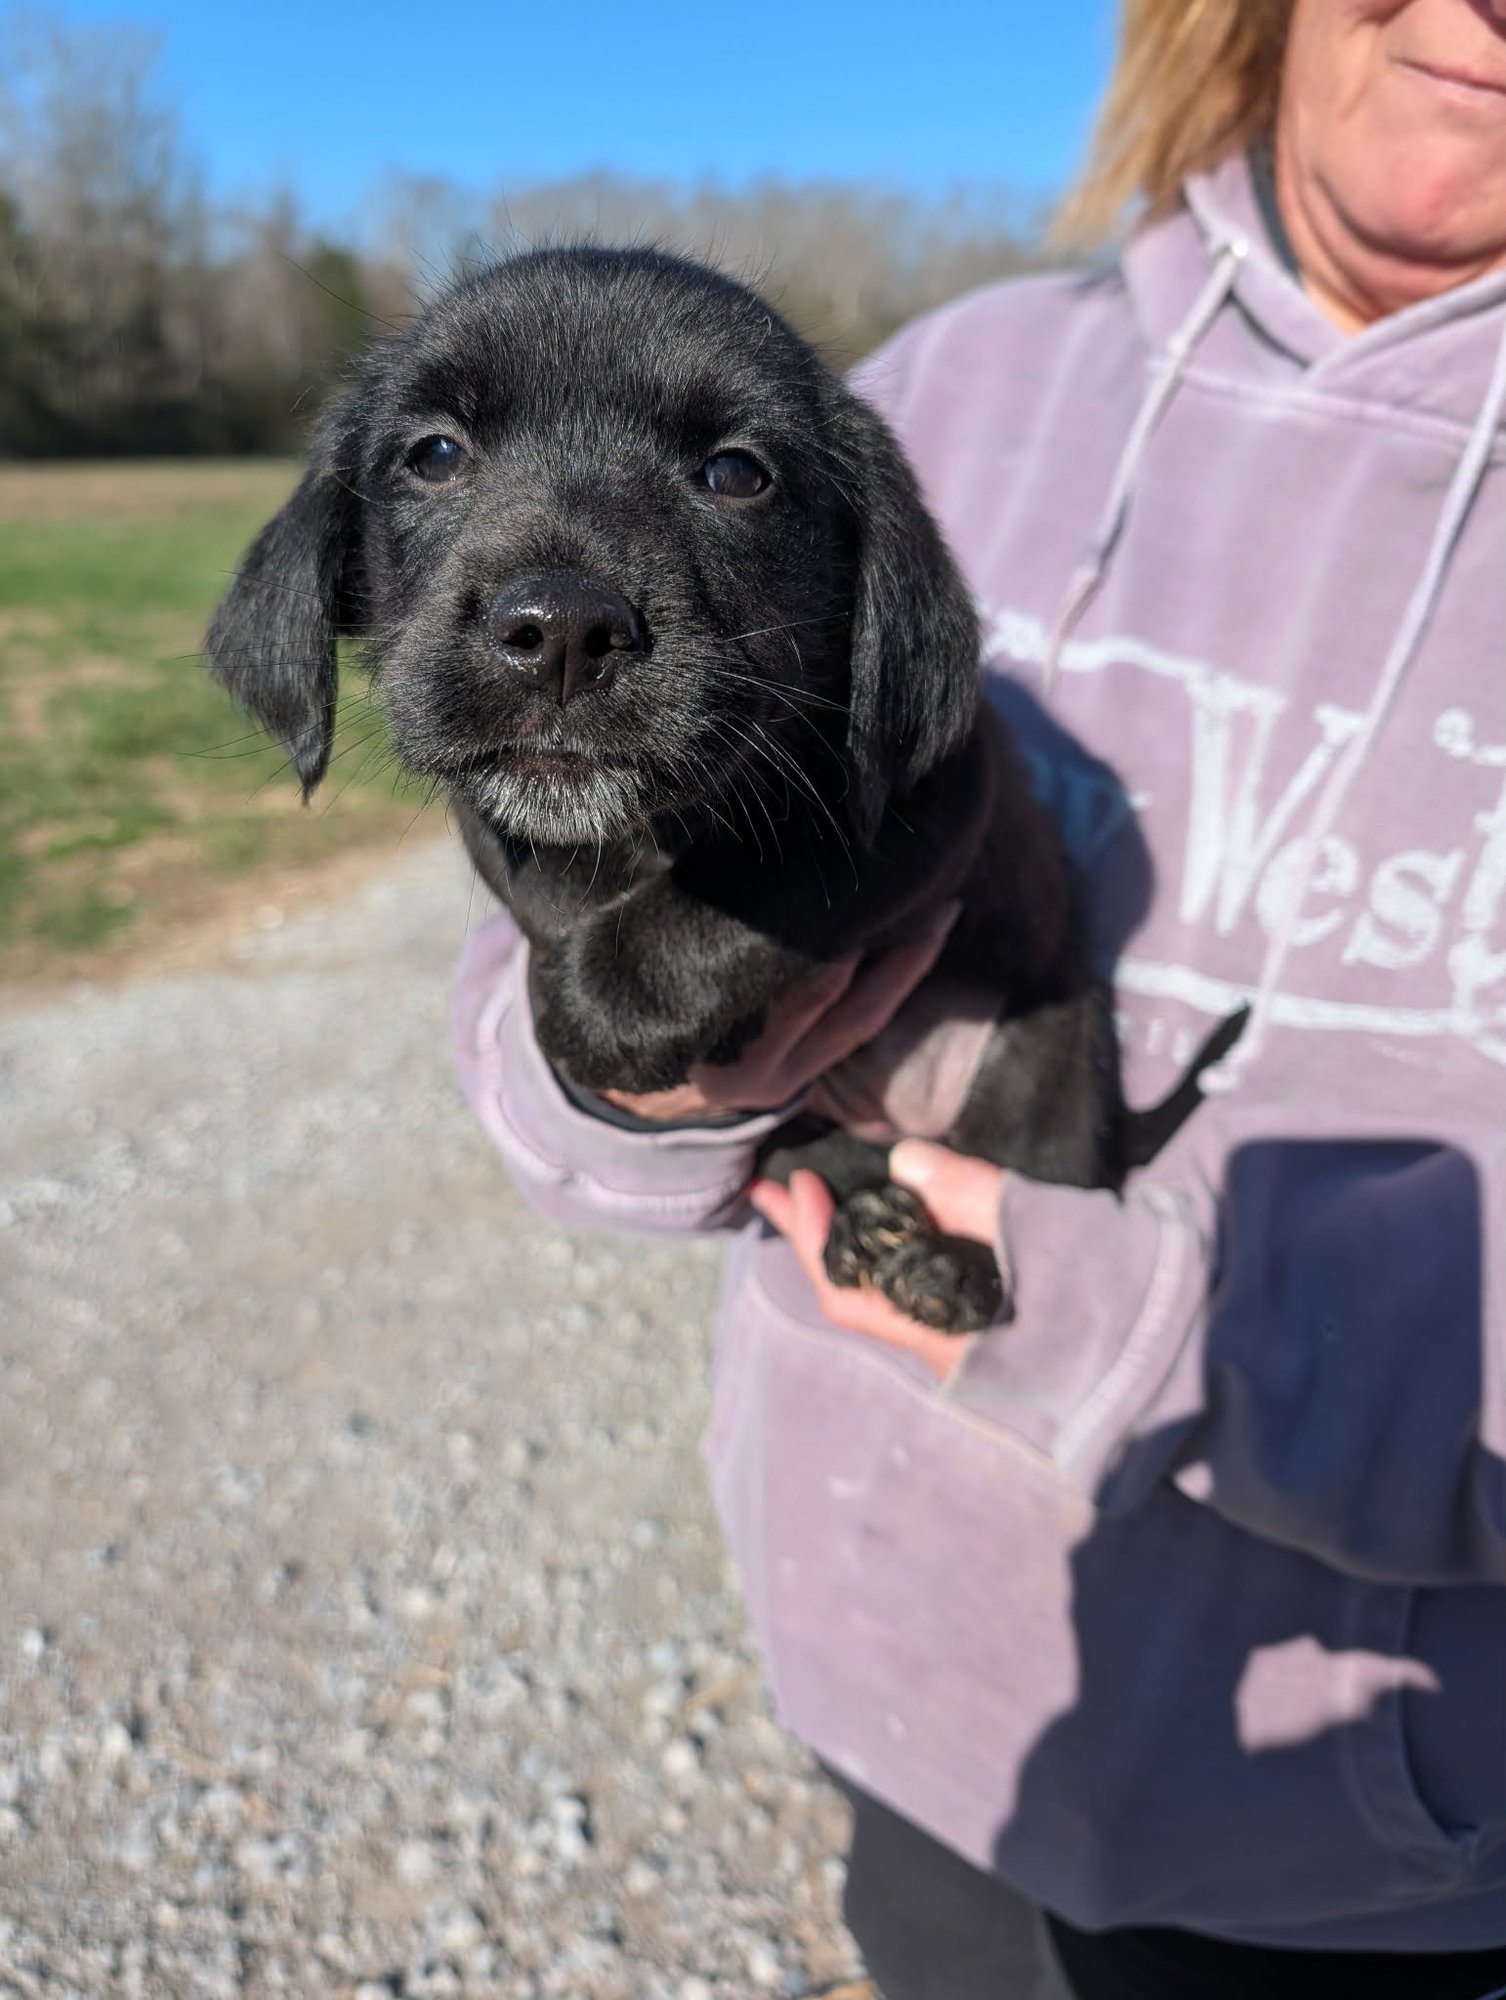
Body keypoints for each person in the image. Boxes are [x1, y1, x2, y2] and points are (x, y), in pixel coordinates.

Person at [453, 1, 1506, 1992]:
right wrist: (633, 1089)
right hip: (917, 1732)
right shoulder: (934, 397)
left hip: (1368, 1851)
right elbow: (546, 973)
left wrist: (1079, 1310)